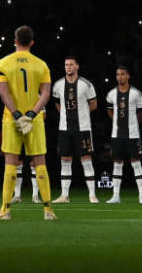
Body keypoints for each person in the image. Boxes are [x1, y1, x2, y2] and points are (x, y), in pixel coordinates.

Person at [0, 25, 56, 221]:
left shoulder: (3, 63)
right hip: (34, 121)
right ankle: (48, 210)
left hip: (12, 119)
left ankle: (5, 210)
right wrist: (30, 114)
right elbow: (45, 94)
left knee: (10, 163)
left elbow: (4, 94)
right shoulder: (41, 65)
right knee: (40, 163)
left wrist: (18, 115)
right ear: (32, 42)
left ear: (15, 41)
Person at [51, 56, 99, 204]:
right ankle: (64, 195)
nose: (68, 67)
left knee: (86, 159)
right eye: (66, 65)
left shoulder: (86, 84)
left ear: (77, 66)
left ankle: (92, 195)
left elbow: (93, 104)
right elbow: (57, 104)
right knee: (65, 160)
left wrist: (82, 114)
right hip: (64, 129)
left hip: (83, 128)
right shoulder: (58, 85)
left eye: (71, 64)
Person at [105, 65, 142, 204]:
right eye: (118, 74)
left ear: (128, 76)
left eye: (123, 74)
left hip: (133, 134)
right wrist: (118, 122)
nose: (120, 77)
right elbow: (110, 110)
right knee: (117, 163)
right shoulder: (111, 94)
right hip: (116, 135)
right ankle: (116, 195)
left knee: (136, 163)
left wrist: (132, 123)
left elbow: (141, 113)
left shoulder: (136, 93)